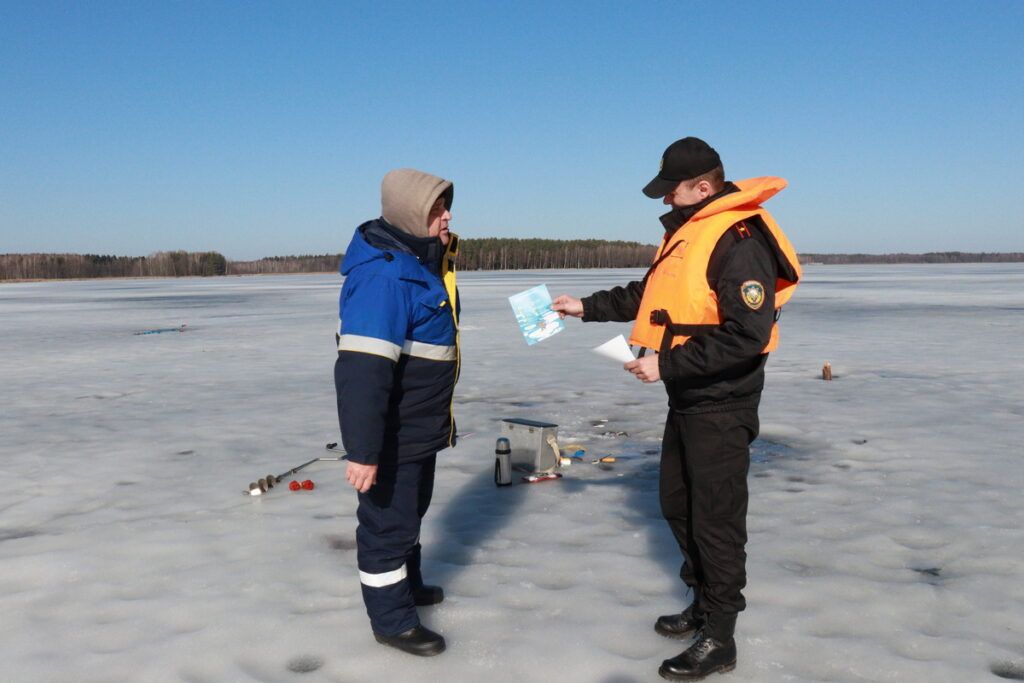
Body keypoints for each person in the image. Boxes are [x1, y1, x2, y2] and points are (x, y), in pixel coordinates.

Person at [553, 137, 801, 680]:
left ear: (705, 187)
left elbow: (746, 334)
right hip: (690, 400)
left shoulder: (737, 240)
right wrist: (584, 308)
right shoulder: (693, 234)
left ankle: (721, 635)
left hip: (722, 402)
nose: (666, 201)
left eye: (673, 191)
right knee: (677, 503)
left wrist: (667, 365)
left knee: (716, 520)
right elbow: (651, 296)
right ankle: (703, 601)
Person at [334, 168, 461, 657]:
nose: (446, 215)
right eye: (435, 209)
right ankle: (392, 621)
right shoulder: (385, 277)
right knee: (387, 527)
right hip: (391, 433)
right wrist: (364, 451)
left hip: (419, 426)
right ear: (411, 214)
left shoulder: (419, 264)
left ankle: (407, 587)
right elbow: (363, 375)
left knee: (409, 514)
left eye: (446, 206)